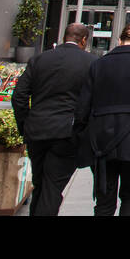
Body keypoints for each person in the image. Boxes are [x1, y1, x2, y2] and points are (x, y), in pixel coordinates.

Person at [75, 20, 130, 216]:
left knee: (104, 200)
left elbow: (83, 105)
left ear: (119, 40)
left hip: (102, 139)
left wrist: (80, 131)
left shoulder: (99, 64)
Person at [11, 22, 96, 216]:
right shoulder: (90, 62)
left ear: (64, 37)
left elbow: (19, 96)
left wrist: (25, 125)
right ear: (83, 40)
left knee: (41, 183)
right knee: (51, 188)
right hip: (67, 132)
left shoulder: (40, 59)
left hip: (37, 131)